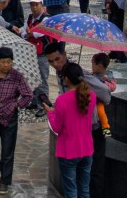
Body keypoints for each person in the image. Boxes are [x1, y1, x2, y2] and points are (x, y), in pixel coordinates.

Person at [43, 41, 111, 198]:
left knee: (93, 174)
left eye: (58, 59)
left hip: (93, 130)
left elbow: (106, 95)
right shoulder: (62, 76)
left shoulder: (80, 75)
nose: (55, 64)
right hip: (78, 134)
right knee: (82, 181)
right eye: (50, 61)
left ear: (65, 55)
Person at [0, 45, 33, 195]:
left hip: (9, 117)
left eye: (9, 62)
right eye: (3, 62)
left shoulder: (17, 76)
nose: (6, 65)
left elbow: (28, 95)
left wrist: (15, 105)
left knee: (7, 152)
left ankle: (4, 181)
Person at [49, 62, 97, 198]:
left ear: (67, 79)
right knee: (84, 188)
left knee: (71, 190)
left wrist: (50, 113)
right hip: (87, 149)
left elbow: (57, 128)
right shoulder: (91, 96)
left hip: (68, 150)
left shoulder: (62, 100)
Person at [23, 0, 51, 100]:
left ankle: (43, 105)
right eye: (32, 5)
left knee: (42, 79)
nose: (34, 7)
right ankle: (34, 101)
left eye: (36, 5)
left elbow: (41, 32)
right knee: (32, 77)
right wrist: (27, 34)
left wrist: (31, 34)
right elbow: (23, 31)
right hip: (31, 52)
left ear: (42, 5)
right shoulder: (30, 17)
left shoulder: (46, 18)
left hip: (42, 53)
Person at [89, 53, 115, 135]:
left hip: (99, 101)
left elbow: (113, 87)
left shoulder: (108, 76)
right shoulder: (93, 74)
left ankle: (106, 129)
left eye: (93, 64)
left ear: (99, 65)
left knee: (101, 113)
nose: (91, 66)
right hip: (90, 98)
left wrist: (105, 81)